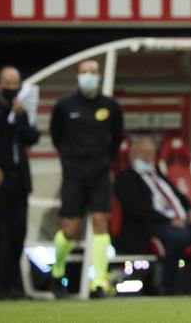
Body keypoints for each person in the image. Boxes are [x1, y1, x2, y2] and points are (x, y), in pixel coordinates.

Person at [114, 137, 191, 294]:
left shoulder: (157, 173)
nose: (148, 157)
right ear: (133, 154)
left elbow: (179, 196)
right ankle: (168, 285)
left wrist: (190, 211)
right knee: (178, 236)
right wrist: (169, 220)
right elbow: (137, 209)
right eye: (143, 153)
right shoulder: (126, 178)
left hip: (180, 223)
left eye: (151, 153)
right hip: (152, 224)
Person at [49, 59, 124, 298]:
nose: (88, 76)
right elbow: (56, 137)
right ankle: (57, 272)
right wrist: (72, 161)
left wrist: (102, 162)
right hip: (73, 175)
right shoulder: (64, 105)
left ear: (100, 76)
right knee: (69, 229)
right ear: (77, 76)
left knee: (101, 223)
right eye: (84, 72)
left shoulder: (110, 106)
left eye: (92, 72)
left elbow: (117, 138)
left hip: (100, 174)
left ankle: (99, 282)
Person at [0, 65, 40, 299]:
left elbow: (31, 138)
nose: (12, 88)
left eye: (16, 83)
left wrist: (22, 117)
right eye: (8, 83)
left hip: (18, 182)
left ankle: (14, 286)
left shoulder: (21, 111)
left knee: (17, 235)